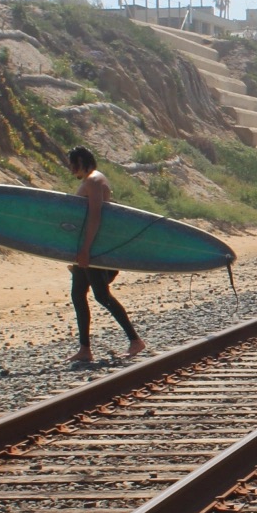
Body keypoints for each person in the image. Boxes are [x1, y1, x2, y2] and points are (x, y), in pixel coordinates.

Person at [67, 147, 146, 364]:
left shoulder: (93, 181)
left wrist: (86, 250)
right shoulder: (92, 180)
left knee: (102, 296)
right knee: (78, 294)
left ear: (81, 161)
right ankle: (84, 349)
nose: (69, 169)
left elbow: (95, 216)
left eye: (72, 164)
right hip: (87, 249)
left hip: (95, 249)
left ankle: (135, 340)